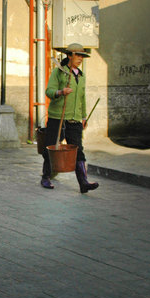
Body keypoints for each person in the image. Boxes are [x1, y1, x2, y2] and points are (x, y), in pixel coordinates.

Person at [40, 42, 99, 193]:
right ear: (69, 55)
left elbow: (82, 98)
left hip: (74, 119)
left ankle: (83, 182)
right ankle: (46, 177)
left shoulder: (81, 76)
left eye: (82, 56)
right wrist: (61, 92)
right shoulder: (59, 72)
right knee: (52, 147)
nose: (80, 58)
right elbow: (49, 91)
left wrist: (84, 116)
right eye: (78, 55)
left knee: (78, 150)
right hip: (57, 117)